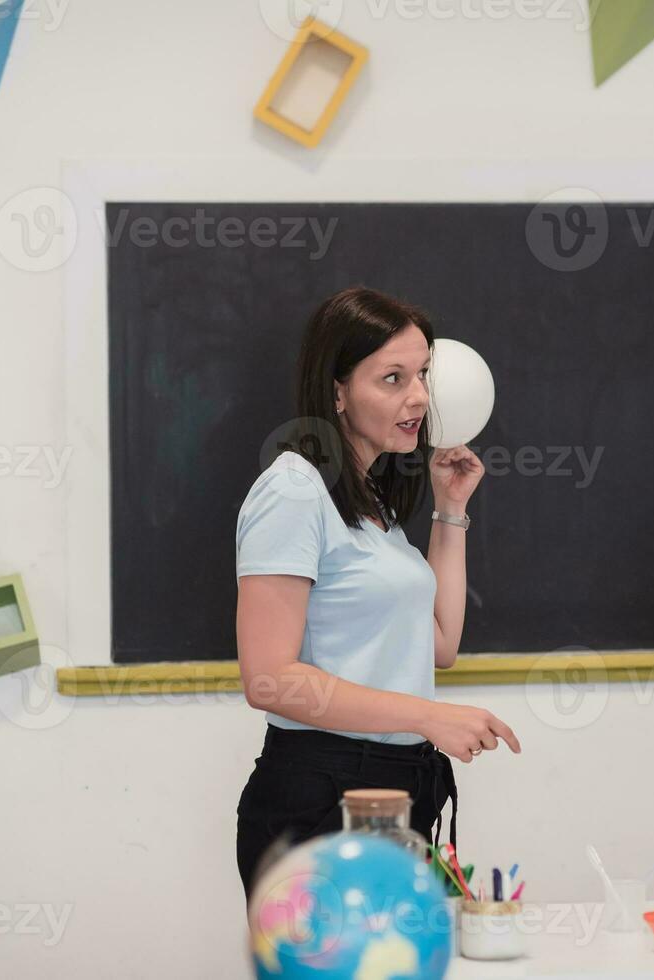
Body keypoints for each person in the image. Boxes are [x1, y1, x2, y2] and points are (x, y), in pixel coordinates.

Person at [234, 287, 520, 900]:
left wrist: (449, 512)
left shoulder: (371, 504)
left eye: (422, 374)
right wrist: (427, 716)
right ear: (336, 390)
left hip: (395, 789)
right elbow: (269, 679)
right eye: (392, 378)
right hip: (323, 794)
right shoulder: (293, 490)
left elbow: (439, 645)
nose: (418, 397)